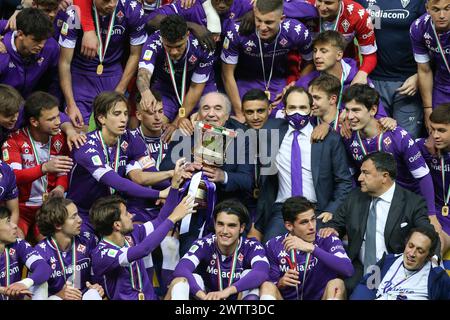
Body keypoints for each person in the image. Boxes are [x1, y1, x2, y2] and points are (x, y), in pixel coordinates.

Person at [319, 152, 438, 293]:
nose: (359, 178)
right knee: (335, 287)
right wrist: (333, 230)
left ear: (384, 177)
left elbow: (427, 233)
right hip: (358, 268)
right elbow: (336, 223)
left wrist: (434, 260)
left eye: (365, 173)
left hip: (394, 269)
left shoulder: (412, 203)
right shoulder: (354, 196)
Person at [254, 86, 353, 243]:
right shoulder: (271, 130)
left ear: (311, 109)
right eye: (292, 107)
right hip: (282, 210)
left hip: (317, 210)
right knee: (272, 247)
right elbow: (243, 129)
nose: (297, 112)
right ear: (284, 110)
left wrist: (331, 210)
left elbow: (345, 182)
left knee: (320, 252)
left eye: (302, 107)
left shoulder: (329, 139)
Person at [159, 91, 253, 254]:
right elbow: (164, 166)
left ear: (227, 115)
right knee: (188, 254)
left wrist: (223, 176)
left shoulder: (243, 136)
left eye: (217, 108)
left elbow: (247, 180)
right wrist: (184, 165)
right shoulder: (187, 131)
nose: (211, 114)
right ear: (199, 113)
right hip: (191, 211)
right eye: (206, 108)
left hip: (228, 210)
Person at [67, 91, 173, 233]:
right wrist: (159, 194)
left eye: (125, 113)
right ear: (101, 118)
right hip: (85, 213)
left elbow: (149, 171)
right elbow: (118, 182)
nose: (123, 119)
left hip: (111, 214)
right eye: (117, 114)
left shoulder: (130, 139)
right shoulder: (86, 146)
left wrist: (176, 182)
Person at [341, 84, 438, 226]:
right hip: (374, 203)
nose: (350, 116)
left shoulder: (397, 136)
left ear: (373, 110)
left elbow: (423, 175)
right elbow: (351, 177)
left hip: (407, 203)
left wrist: (431, 215)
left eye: (356, 110)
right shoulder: (348, 137)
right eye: (347, 110)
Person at [89, 179, 197, 300]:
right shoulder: (103, 254)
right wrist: (173, 218)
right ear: (117, 225)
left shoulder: (133, 233)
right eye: (126, 214)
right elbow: (144, 250)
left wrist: (174, 187)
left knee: (180, 282)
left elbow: (160, 220)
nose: (132, 215)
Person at [58, 0, 148, 129]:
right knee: (80, 133)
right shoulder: (74, 13)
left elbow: (135, 55)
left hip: (113, 74)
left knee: (115, 132)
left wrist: (120, 90)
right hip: (82, 75)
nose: (111, 4)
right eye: (106, 0)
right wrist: (71, 104)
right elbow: (64, 63)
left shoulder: (132, 10)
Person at [221, 0, 313, 122]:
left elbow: (310, 61)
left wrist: (297, 86)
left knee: (281, 122)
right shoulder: (237, 31)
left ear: (282, 19)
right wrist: (239, 113)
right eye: (259, 20)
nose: (263, 27)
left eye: (269, 22)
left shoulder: (296, 31)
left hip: (278, 81)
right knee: (245, 121)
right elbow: (227, 73)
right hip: (246, 81)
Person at [2, 91, 73, 241]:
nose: (58, 122)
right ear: (34, 122)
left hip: (48, 208)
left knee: (51, 244)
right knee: (17, 242)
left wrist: (61, 187)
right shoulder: (14, 141)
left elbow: (63, 170)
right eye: (51, 119)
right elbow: (13, 176)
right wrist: (44, 168)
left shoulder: (61, 138)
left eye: (58, 116)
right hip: (21, 208)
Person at [167, 199, 269, 300]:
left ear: (241, 228)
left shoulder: (251, 246)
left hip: (237, 298)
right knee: (184, 281)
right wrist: (203, 296)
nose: (224, 231)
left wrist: (226, 292)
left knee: (254, 280)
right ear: (215, 224)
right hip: (207, 298)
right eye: (220, 224)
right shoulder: (204, 244)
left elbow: (262, 272)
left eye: (231, 226)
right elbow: (181, 269)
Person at [136, 15, 216, 142]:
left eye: (179, 46)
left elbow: (195, 89)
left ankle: (207, 160)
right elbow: (143, 73)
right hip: (167, 87)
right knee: (155, 121)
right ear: (162, 38)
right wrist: (145, 92)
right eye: (169, 46)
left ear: (187, 35)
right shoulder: (153, 42)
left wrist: (177, 122)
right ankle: (154, 158)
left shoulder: (202, 47)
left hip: (199, 88)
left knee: (210, 120)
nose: (174, 52)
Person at [356, 0, 426, 139]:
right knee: (376, 140)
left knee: (406, 141)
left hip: (408, 84)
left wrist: (419, 76)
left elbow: (431, 38)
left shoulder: (419, 2)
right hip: (374, 81)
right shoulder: (362, 1)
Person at [261, 196, 353, 300]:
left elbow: (348, 270)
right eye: (304, 222)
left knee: (337, 284)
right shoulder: (273, 245)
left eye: (313, 219)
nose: (312, 227)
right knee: (267, 286)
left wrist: (313, 249)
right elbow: (271, 281)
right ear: (289, 226)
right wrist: (280, 282)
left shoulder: (327, 238)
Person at [351, 227, 450, 300]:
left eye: (420, 251)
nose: (412, 253)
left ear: (429, 256)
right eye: (410, 246)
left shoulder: (437, 277)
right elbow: (367, 286)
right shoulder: (387, 262)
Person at [35, 197, 104, 300]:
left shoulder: (88, 240)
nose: (80, 220)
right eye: (73, 217)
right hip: (57, 297)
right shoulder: (40, 253)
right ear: (58, 224)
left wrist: (98, 287)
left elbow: (99, 276)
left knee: (93, 294)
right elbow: (35, 296)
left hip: (83, 296)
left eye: (78, 214)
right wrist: (60, 295)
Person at [306, 0, 378, 85]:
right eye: (319, 1)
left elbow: (369, 55)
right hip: (312, 68)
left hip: (345, 73)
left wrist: (362, 73)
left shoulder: (358, 14)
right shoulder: (304, 6)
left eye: (328, 3)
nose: (322, 7)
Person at [0, 8, 59, 98]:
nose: (41, 45)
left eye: (44, 40)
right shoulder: (2, 53)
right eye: (36, 40)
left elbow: (55, 81)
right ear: (20, 34)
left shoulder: (50, 47)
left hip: (30, 104)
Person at [410, 0, 450, 132]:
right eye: (436, 10)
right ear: (427, 8)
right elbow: (424, 70)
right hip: (443, 84)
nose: (442, 15)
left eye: (447, 8)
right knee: (437, 131)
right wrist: (428, 109)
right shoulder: (418, 27)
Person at [416, 104, 450, 255]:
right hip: (435, 211)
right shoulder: (423, 147)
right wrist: (389, 122)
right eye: (433, 129)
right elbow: (397, 143)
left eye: (441, 130)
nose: (435, 135)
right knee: (432, 244)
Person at [0, 206, 51, 300]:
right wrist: (3, 290)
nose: (15, 225)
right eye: (8, 221)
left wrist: (25, 283)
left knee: (41, 283)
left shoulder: (17, 244)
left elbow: (44, 268)